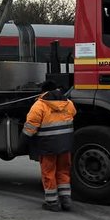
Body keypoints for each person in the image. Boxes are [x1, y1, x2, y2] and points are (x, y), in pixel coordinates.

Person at [22, 75, 77, 212]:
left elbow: (31, 127)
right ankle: (66, 200)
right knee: (63, 171)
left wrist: (22, 141)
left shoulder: (39, 105)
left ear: (43, 91)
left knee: (49, 173)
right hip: (65, 145)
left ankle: (52, 202)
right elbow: (73, 114)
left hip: (48, 146)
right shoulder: (68, 103)